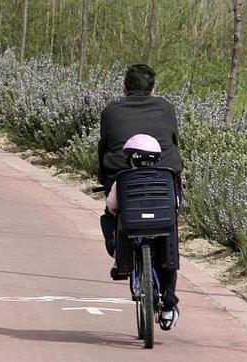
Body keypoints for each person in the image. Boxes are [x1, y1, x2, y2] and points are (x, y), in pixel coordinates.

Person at [98, 64, 182, 330]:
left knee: (111, 216)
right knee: (168, 228)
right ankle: (168, 304)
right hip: (164, 180)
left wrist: (104, 179)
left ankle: (119, 255)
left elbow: (104, 149)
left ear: (124, 88)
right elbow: (174, 143)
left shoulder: (111, 111)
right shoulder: (166, 108)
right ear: (153, 89)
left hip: (124, 182)